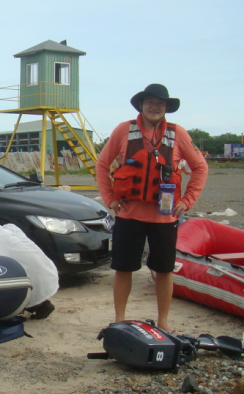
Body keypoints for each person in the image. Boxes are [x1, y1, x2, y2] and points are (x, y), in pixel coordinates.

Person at [96, 83, 208, 333]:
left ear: (167, 108)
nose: (154, 107)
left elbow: (200, 167)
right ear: (141, 105)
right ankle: (119, 319)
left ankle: (164, 321)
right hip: (128, 215)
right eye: (150, 102)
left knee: (164, 270)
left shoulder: (179, 134)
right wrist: (110, 199)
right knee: (123, 268)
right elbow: (102, 164)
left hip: (165, 219)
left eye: (160, 103)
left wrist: (187, 200)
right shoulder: (123, 130)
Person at [0, 204, 59, 319]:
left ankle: (21, 308)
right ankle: (41, 305)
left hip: (36, 283)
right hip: (49, 274)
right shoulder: (10, 228)